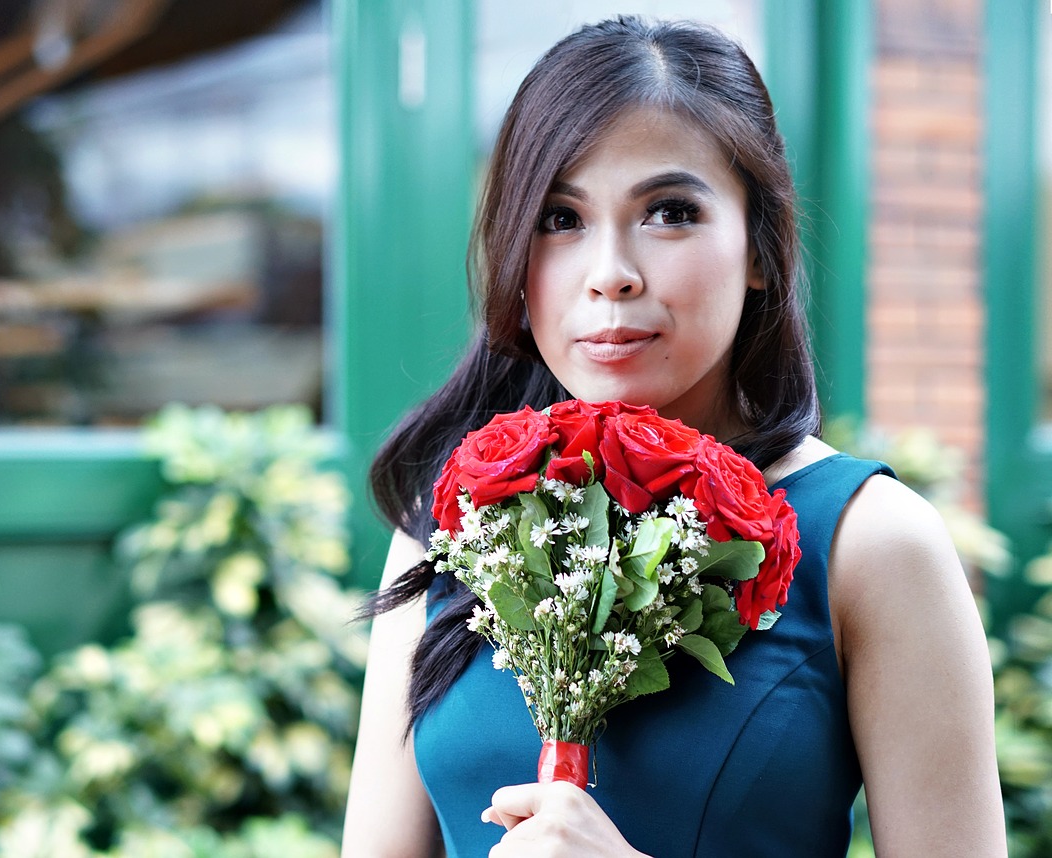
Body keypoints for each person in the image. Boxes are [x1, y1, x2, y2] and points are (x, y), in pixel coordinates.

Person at [341, 15, 1004, 858]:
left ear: (760, 247)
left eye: (668, 211)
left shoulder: (874, 543)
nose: (610, 271)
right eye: (559, 219)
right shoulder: (450, 528)